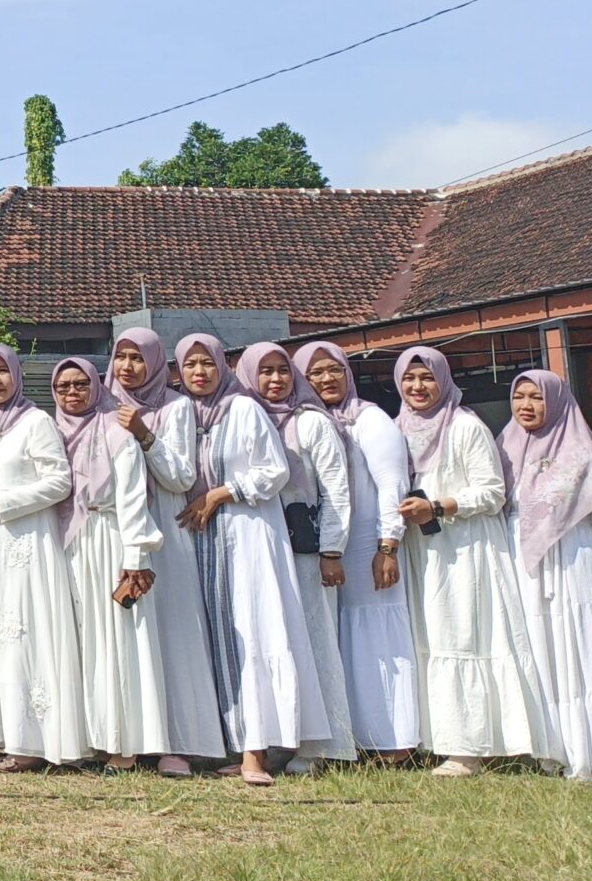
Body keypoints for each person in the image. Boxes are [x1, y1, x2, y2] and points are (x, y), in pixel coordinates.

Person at [171, 333, 326, 786]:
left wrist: (221, 493)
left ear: (223, 366)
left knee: (252, 634)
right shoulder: (183, 413)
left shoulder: (243, 409)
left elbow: (274, 471)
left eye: (207, 363)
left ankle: (256, 753)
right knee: (218, 637)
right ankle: (225, 744)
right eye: (190, 365)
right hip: (201, 542)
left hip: (248, 534)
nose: (199, 372)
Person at [391, 346, 551, 776]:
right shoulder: (397, 429)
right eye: (409, 379)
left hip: (465, 549)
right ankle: (444, 739)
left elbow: (492, 491)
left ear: (443, 380)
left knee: (465, 637)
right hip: (423, 550)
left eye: (426, 378)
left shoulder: (464, 426)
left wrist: (440, 507)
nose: (418, 387)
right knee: (435, 638)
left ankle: (472, 748)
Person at [106, 328, 227, 777]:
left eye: (138, 358)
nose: (127, 368)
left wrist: (143, 434)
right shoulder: (104, 402)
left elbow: (180, 476)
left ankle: (178, 740)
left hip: (168, 533)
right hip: (118, 530)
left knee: (174, 635)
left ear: (156, 363)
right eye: (121, 357)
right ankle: (131, 736)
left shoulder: (174, 406)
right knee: (128, 636)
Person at [294, 341, 420, 764]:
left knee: (379, 641)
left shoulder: (368, 418)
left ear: (348, 373)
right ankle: (357, 739)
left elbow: (392, 485)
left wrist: (388, 546)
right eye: (315, 374)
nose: (326, 379)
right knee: (345, 641)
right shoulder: (309, 421)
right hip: (334, 547)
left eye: (334, 370)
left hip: (368, 543)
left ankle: (396, 741)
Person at [237, 343, 358, 774]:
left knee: (314, 640)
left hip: (305, 551)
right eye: (264, 372)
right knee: (271, 644)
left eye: (281, 371)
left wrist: (331, 551)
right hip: (260, 551)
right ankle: (274, 741)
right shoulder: (240, 419)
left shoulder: (311, 424)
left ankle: (318, 747)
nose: (274, 380)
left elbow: (337, 492)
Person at [48, 358, 172, 772]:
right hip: (71, 542)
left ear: (96, 386)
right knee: (84, 642)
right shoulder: (55, 431)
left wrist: (135, 557)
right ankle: (94, 739)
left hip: (111, 539)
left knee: (118, 640)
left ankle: (124, 747)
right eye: (63, 386)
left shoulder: (117, 431)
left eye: (81, 384)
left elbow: (135, 497)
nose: (72, 393)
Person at [0, 344, 86, 772]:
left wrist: (2, 502)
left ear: (17, 375)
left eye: (2, 371)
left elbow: (60, 481)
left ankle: (38, 743)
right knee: (0, 638)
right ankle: (9, 736)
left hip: (29, 541)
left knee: (30, 637)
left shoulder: (35, 421)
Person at [500, 369, 592, 780]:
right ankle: (555, 751)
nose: (527, 406)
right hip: (526, 567)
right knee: (542, 650)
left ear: (557, 402)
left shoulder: (583, 453)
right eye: (520, 397)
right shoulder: (505, 450)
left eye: (537, 398)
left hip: (575, 560)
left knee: (588, 649)